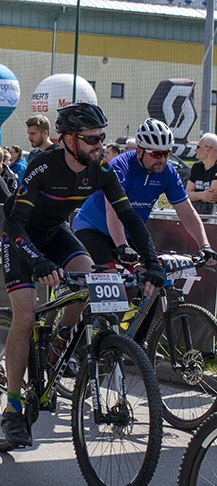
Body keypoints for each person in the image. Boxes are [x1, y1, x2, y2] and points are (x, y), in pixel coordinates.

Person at [0, 102, 165, 448]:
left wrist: (152, 261)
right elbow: (15, 223)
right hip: (22, 236)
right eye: (92, 139)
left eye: (102, 137)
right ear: (68, 139)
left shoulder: (101, 169)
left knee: (89, 277)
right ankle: (13, 408)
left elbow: (129, 218)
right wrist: (38, 261)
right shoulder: (42, 165)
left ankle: (59, 343)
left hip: (56, 232)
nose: (99, 144)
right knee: (26, 317)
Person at [72, 118, 217, 341]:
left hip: (129, 232)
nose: (163, 159)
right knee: (112, 282)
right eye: (156, 154)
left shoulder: (167, 172)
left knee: (152, 282)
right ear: (140, 150)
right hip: (94, 228)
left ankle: (134, 348)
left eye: (167, 153)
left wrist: (204, 245)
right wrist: (121, 246)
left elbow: (187, 212)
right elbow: (114, 213)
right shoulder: (120, 166)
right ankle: (83, 344)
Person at [186, 133, 217, 215]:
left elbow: (211, 197)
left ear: (208, 149)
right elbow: (187, 194)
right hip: (198, 214)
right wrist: (201, 195)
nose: (195, 150)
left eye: (198, 147)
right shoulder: (197, 167)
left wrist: (195, 195)